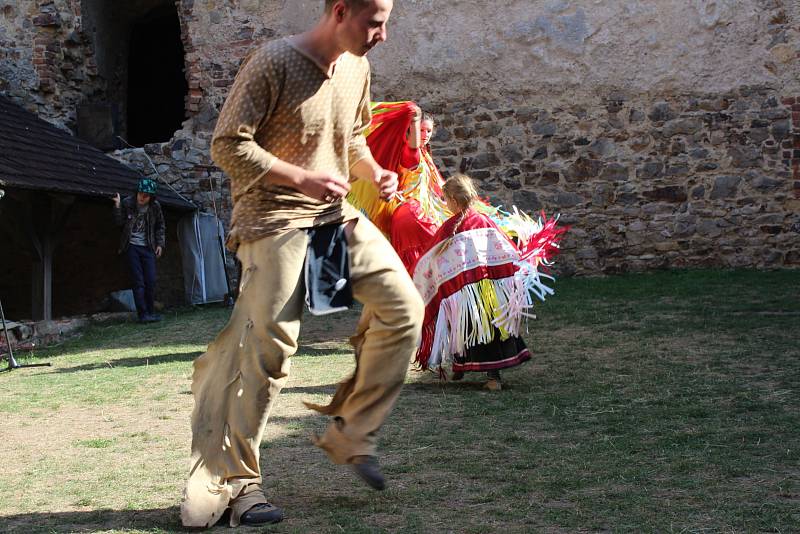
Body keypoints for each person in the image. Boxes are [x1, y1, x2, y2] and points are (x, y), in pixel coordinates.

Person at [181, 0, 424, 529]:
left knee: (406, 308)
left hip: (334, 220)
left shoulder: (358, 67)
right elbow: (227, 145)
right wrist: (301, 177)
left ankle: (351, 433)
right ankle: (240, 486)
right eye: (375, 22)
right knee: (270, 352)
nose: (383, 34)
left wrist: (375, 170)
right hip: (271, 224)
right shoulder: (272, 62)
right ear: (340, 11)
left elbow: (352, 136)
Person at [412, 174, 565, 390]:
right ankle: (465, 367)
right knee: (485, 330)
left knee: (471, 329)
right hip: (490, 293)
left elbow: (430, 258)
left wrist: (421, 274)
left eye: (445, 200)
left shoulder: (449, 228)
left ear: (454, 200)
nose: (445, 204)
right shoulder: (482, 220)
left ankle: (491, 378)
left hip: (467, 296)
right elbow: (506, 249)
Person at [112, 178, 164, 323]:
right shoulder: (128, 203)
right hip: (132, 247)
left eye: (146, 195)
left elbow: (160, 225)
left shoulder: (155, 207)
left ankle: (151, 313)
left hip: (148, 247)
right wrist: (117, 206)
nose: (142, 197)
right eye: (140, 193)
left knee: (151, 280)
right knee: (138, 282)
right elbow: (119, 222)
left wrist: (160, 244)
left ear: (151, 197)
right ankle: (143, 315)